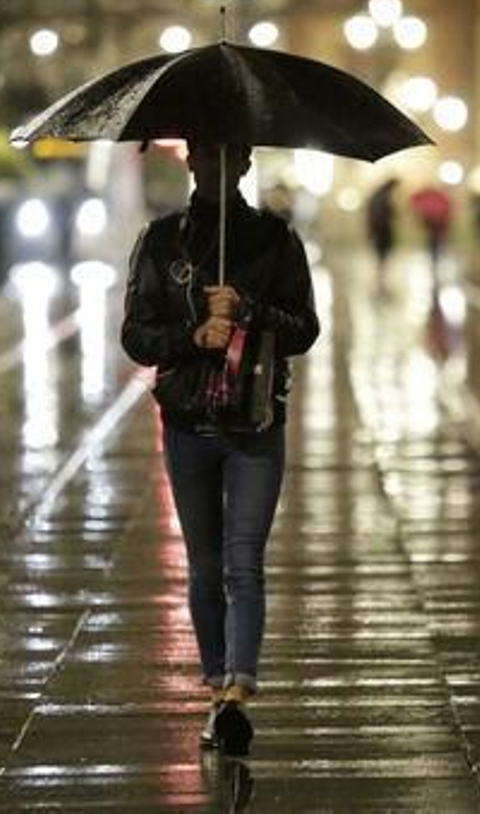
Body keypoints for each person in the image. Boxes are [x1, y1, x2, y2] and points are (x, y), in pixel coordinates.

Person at [121, 141, 320, 758]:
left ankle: (237, 691)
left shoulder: (275, 240)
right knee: (205, 566)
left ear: (245, 164)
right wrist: (195, 333)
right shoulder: (160, 241)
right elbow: (135, 334)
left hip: (254, 421)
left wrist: (249, 311)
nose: (214, 167)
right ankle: (216, 682)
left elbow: (305, 328)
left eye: (227, 157)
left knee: (244, 563)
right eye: (205, 156)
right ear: (192, 164)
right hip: (187, 424)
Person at [409, 184, 454, 269]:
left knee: (436, 240)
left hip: (437, 222)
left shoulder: (436, 196)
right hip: (434, 222)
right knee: (435, 240)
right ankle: (436, 256)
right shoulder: (432, 196)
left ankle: (437, 256)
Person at [364, 177, 398, 284]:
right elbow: (382, 213)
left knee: (382, 250)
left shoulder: (379, 195)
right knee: (382, 250)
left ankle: (381, 268)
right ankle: (381, 268)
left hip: (380, 228)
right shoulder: (382, 196)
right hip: (381, 228)